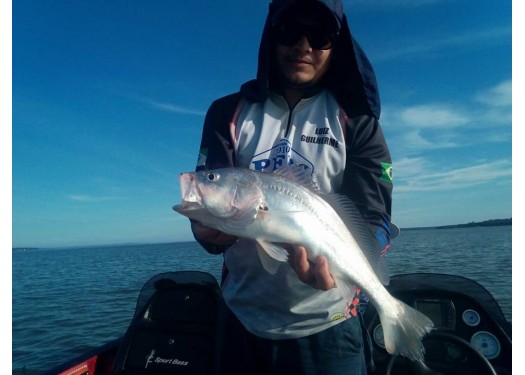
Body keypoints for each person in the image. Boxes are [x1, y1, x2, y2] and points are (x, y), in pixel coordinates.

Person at [189, 0, 393, 373]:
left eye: (319, 34)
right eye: (289, 30)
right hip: (240, 320)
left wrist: (352, 267)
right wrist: (205, 230)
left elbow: (374, 217)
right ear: (270, 34)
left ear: (338, 43)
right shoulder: (226, 112)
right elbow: (213, 201)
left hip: (329, 326)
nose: (303, 46)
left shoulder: (357, 121)